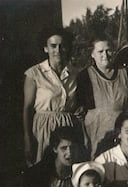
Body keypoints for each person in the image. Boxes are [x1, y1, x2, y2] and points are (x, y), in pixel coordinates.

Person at [23, 27, 84, 166]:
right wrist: (27, 139)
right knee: (45, 169)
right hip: (44, 128)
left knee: (68, 169)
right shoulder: (34, 73)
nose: (58, 50)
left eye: (62, 46)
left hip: (68, 128)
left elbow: (77, 104)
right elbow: (27, 109)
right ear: (46, 48)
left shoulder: (75, 74)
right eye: (53, 46)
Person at [77, 35, 128, 159]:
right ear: (92, 54)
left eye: (108, 50)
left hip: (123, 134)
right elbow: (79, 111)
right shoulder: (85, 76)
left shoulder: (126, 73)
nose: (105, 55)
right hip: (97, 136)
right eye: (100, 51)